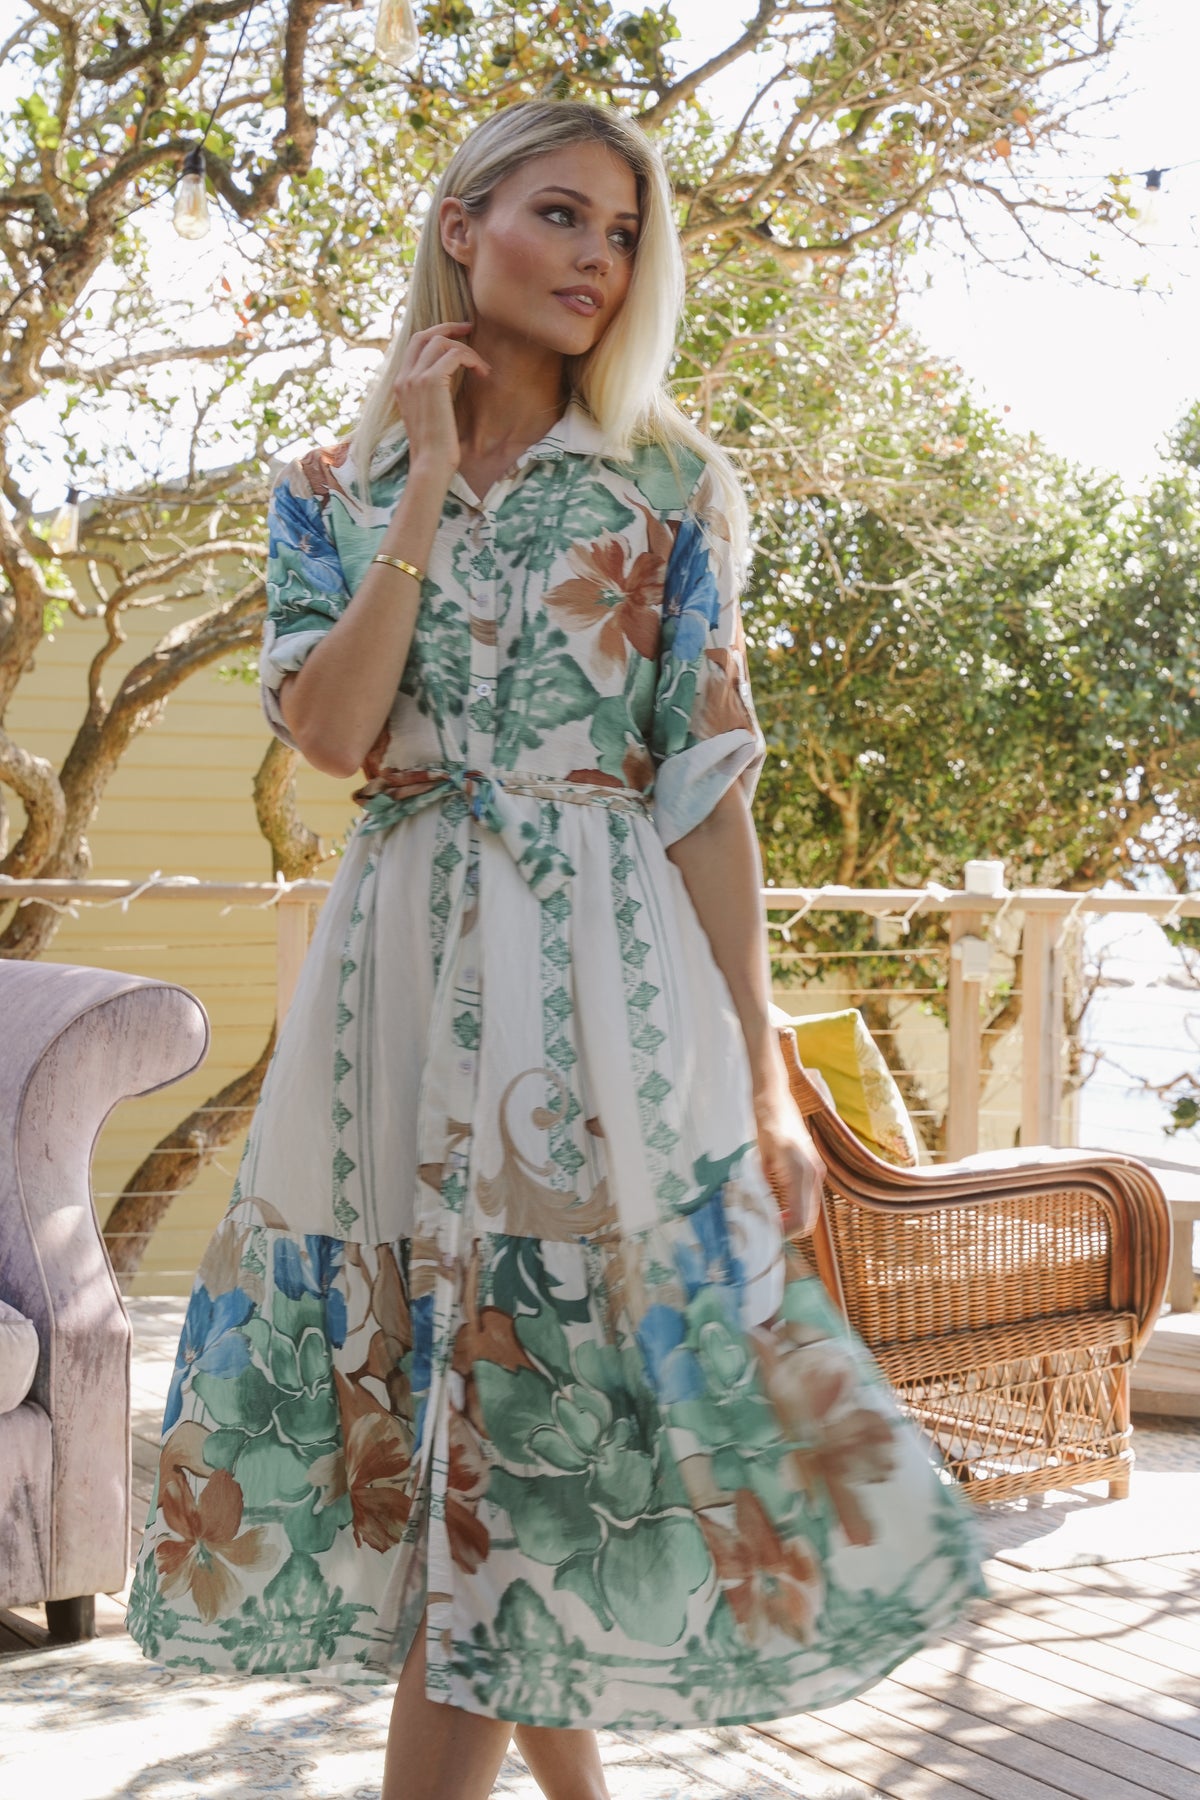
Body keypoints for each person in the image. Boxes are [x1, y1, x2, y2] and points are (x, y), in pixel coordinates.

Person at [129, 99, 981, 1800]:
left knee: (531, 1413)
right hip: (392, 983)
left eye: (621, 234)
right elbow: (339, 735)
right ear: (466, 225)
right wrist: (428, 483)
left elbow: (709, 795)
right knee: (460, 1432)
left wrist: (760, 1065)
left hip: (601, 984)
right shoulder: (328, 485)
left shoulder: (666, 488)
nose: (600, 259)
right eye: (564, 216)